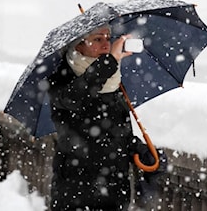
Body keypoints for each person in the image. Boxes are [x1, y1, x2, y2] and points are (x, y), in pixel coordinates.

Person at [48, 24, 165, 211]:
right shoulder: (61, 81)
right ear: (78, 46)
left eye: (108, 38)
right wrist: (109, 62)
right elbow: (77, 103)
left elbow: (118, 136)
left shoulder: (113, 85)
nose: (106, 45)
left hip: (115, 196)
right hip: (76, 195)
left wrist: (142, 151)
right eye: (97, 39)